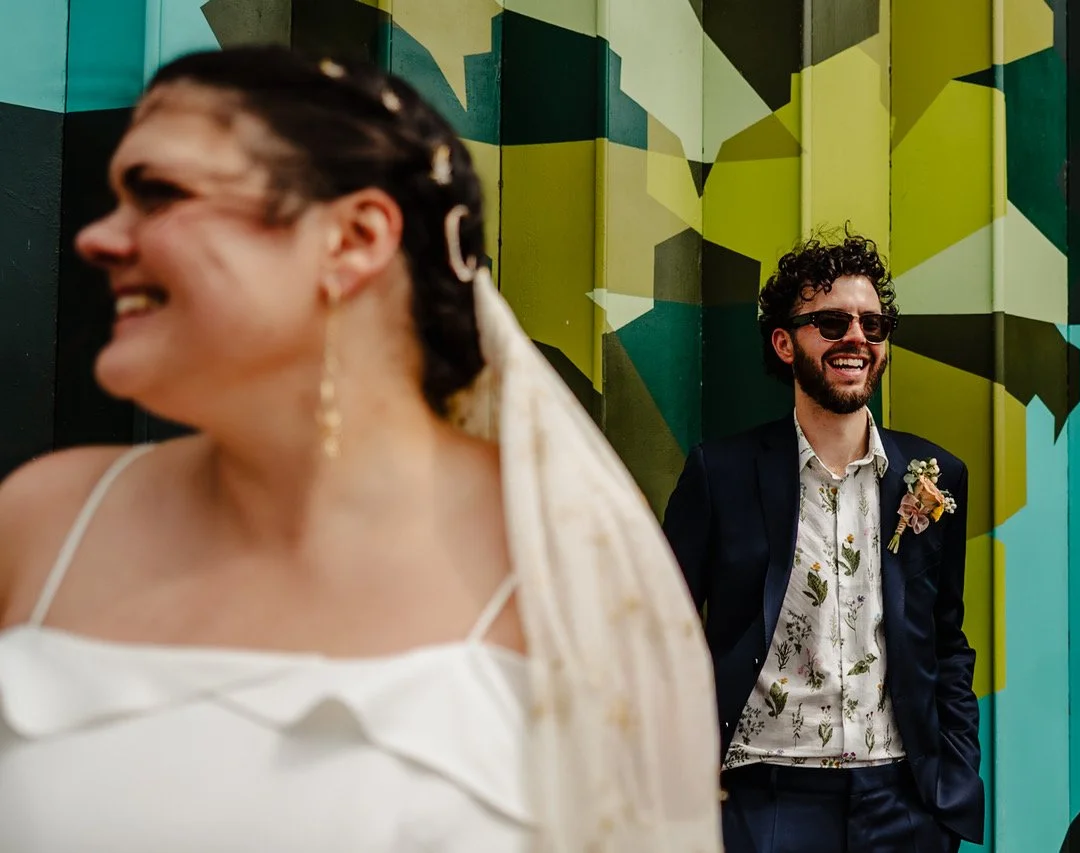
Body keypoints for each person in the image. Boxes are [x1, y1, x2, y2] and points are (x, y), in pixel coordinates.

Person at [0, 46, 723, 853]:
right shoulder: (38, 520)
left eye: (158, 194)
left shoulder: (565, 564)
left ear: (353, 237)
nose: (98, 239)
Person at [662, 231, 984, 852]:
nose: (857, 338)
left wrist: (953, 779)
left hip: (903, 802)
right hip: (762, 797)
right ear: (785, 343)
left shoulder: (938, 476)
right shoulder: (719, 475)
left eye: (873, 324)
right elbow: (659, 634)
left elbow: (946, 643)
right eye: (832, 322)